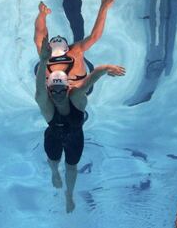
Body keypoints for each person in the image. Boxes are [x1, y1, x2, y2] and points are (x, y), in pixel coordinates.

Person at [35, 37, 125, 213]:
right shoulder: (46, 105)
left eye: (61, 89)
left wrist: (106, 68)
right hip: (53, 137)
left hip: (75, 139)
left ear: (68, 88)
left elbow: (92, 78)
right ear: (49, 90)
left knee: (71, 167)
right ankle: (54, 172)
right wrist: (43, 61)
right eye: (53, 90)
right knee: (53, 161)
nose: (58, 94)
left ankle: (69, 195)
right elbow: (39, 90)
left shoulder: (76, 98)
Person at [34, 0, 118, 89]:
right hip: (78, 85)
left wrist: (41, 15)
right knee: (78, 28)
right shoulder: (75, 51)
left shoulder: (45, 56)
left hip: (66, 88)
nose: (59, 35)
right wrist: (104, 6)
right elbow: (94, 36)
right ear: (68, 48)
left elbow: (40, 32)